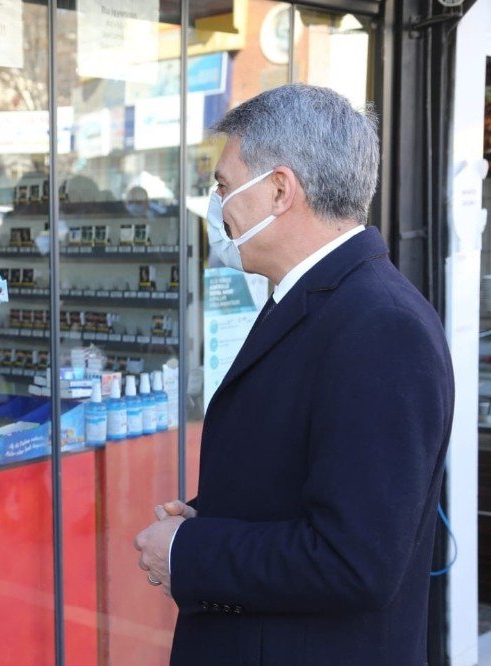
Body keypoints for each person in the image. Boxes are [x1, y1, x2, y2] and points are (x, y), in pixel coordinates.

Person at [134, 83, 454, 664]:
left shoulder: (381, 327)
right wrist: (212, 517)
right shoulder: (318, 299)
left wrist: (191, 551)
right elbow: (306, 478)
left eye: (224, 187)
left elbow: (354, 561)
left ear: (280, 190)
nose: (218, 206)